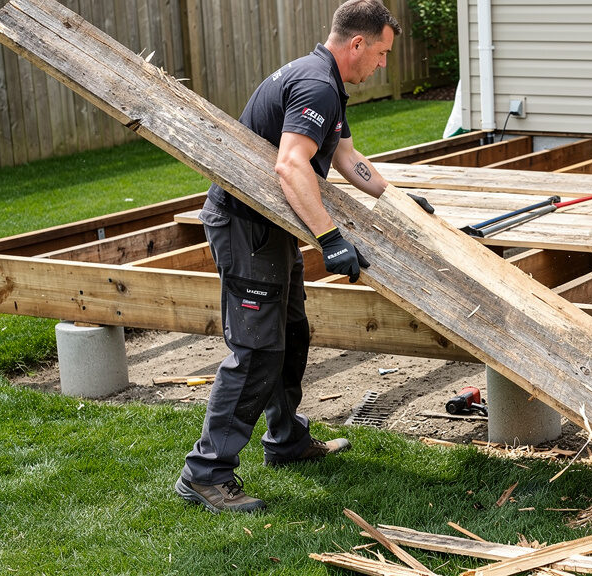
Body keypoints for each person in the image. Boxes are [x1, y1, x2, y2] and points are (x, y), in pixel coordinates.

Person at [175, 0, 434, 513]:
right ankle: (205, 473)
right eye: (380, 54)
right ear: (356, 44)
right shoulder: (316, 85)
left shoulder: (325, 83)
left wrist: (397, 200)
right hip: (248, 229)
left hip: (273, 229)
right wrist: (331, 238)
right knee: (256, 353)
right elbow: (291, 166)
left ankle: (287, 440)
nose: (382, 64)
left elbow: (344, 156)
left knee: (292, 335)